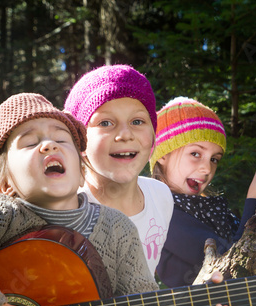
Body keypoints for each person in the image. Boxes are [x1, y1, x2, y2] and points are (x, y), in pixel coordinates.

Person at [0, 93, 250, 306]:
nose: (49, 144)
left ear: (80, 165)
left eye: (61, 138)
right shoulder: (7, 216)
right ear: (5, 181)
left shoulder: (117, 229)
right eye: (28, 142)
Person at [150, 97, 256, 306]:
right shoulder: (162, 213)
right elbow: (235, 265)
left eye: (214, 159)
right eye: (195, 154)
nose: (207, 168)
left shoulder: (212, 208)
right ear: (163, 154)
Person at [63, 64, 174, 275]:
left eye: (137, 121)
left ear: (153, 132)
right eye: (105, 122)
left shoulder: (161, 197)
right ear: (78, 138)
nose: (125, 134)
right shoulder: (65, 211)